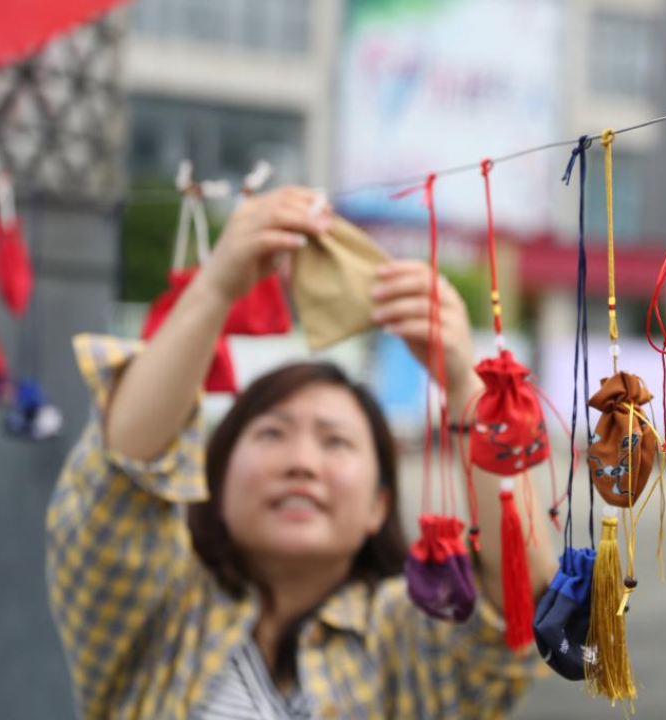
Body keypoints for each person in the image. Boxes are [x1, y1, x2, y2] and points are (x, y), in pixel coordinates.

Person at [45, 187, 557, 719]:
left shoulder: (407, 637)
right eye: (272, 433)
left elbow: (520, 596)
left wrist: (461, 379)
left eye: (335, 441)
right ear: (214, 481)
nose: (302, 463)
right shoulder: (159, 611)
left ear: (380, 505)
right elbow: (122, 478)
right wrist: (216, 286)